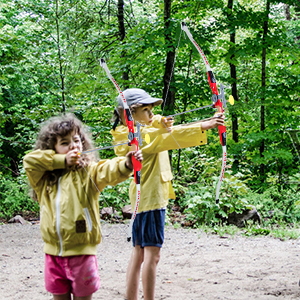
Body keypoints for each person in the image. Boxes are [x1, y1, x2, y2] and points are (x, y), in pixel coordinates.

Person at [110, 88, 225, 300]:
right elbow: (165, 138)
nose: (151, 113)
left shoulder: (135, 131)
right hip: (150, 200)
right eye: (146, 110)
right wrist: (204, 125)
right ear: (130, 114)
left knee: (139, 254)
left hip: (142, 200)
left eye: (152, 108)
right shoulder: (138, 137)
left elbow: (156, 127)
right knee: (152, 256)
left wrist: (159, 120)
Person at [23, 113, 143, 300]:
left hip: (82, 254)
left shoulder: (90, 171)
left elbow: (108, 170)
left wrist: (127, 164)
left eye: (76, 140)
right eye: (64, 143)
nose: (73, 146)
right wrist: (62, 161)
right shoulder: (44, 178)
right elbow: (29, 161)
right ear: (51, 148)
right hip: (52, 255)